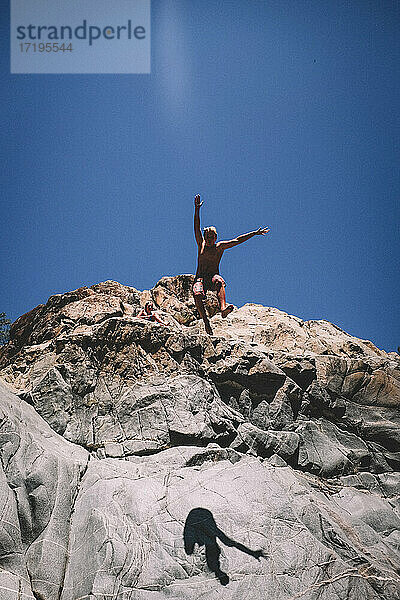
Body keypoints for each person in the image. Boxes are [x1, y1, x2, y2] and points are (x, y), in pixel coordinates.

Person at [193, 194, 269, 335]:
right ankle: (206, 322)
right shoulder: (201, 244)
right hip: (201, 278)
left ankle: (223, 309)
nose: (209, 239)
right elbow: (196, 228)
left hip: (212, 277)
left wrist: (254, 233)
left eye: (212, 237)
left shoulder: (219, 247)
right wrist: (197, 209)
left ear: (216, 238)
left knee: (219, 281)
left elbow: (237, 240)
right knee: (197, 292)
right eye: (207, 237)